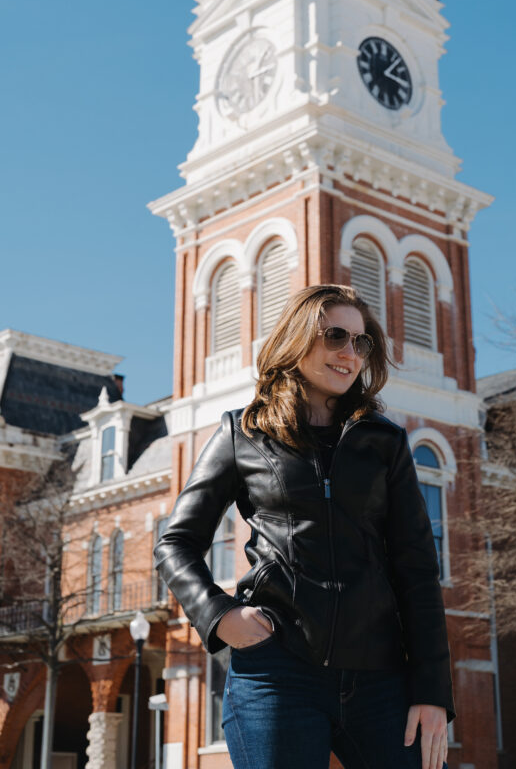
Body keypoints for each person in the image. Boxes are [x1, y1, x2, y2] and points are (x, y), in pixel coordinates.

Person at [155, 283, 454, 769]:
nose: (350, 353)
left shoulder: (386, 443)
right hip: (277, 676)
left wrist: (432, 690)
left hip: (381, 678)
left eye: (362, 342)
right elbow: (176, 542)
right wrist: (219, 615)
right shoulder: (242, 433)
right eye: (335, 336)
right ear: (297, 339)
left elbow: (417, 571)